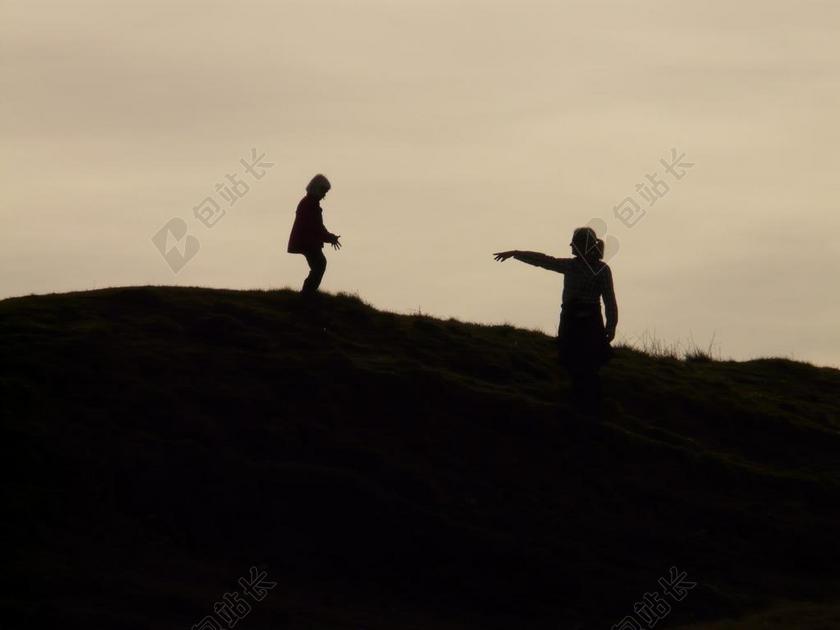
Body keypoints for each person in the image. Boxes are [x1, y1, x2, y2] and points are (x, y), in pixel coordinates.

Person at [493, 227, 618, 415]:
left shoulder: (593, 269)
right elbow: (543, 260)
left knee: (582, 363)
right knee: (578, 362)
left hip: (583, 322)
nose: (570, 246)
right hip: (579, 321)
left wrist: (611, 325)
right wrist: (516, 254)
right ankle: (581, 403)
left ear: (583, 246)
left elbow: (609, 301)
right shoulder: (586, 267)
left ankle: (589, 404)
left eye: (574, 243)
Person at [287, 174, 341, 295]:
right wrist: (329, 237)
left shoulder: (309, 203)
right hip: (308, 242)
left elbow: (317, 227)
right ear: (317, 189)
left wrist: (329, 237)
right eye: (323, 191)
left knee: (319, 264)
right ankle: (307, 293)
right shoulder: (309, 204)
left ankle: (308, 293)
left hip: (308, 241)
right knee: (320, 264)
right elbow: (315, 227)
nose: (324, 195)